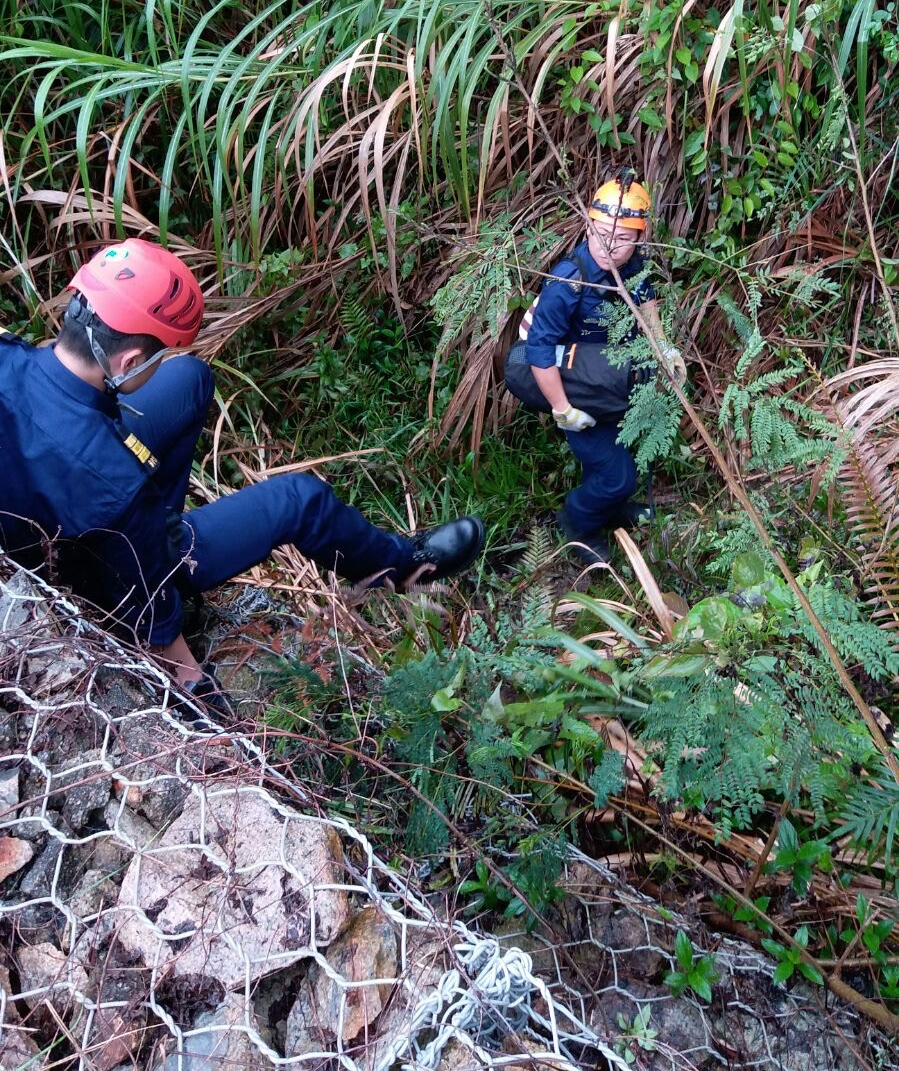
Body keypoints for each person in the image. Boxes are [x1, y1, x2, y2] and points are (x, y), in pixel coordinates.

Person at [0, 239, 485, 705]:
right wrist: (197, 694)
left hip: (56, 488)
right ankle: (405, 568)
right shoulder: (115, 484)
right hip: (100, 571)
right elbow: (150, 617)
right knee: (299, 500)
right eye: (158, 353)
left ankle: (158, 522)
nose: (162, 359)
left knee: (189, 379)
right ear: (127, 361)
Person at [519, 175, 685, 565]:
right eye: (602, 232)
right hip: (575, 386)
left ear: (641, 237)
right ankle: (577, 523)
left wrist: (663, 347)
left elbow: (646, 300)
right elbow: (539, 349)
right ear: (589, 225)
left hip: (611, 377)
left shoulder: (633, 265)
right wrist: (563, 409)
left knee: (621, 451)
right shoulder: (569, 280)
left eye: (624, 236)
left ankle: (610, 508)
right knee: (617, 475)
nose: (610, 244)